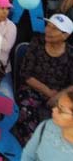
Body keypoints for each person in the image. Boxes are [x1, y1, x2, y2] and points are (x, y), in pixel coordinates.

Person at [14, 14, 73, 143]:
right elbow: (26, 75)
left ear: (65, 35)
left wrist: (57, 97)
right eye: (48, 26)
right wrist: (49, 93)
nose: (47, 30)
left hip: (59, 95)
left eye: (54, 28)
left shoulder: (70, 54)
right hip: (32, 89)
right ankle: (31, 147)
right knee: (25, 110)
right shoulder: (37, 42)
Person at [21, 85, 73, 160]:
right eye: (56, 105)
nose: (54, 109)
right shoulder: (47, 126)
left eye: (61, 110)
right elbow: (28, 154)